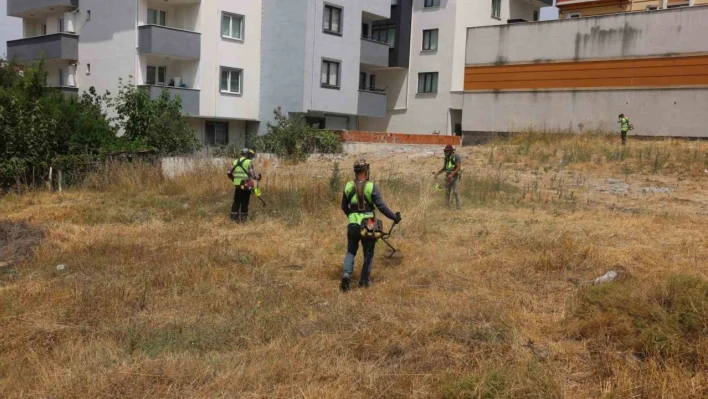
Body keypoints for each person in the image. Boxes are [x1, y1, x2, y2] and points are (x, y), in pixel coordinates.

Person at [341, 159, 401, 291]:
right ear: (365, 170)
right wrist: (394, 217)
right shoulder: (371, 186)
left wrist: (352, 217)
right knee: (368, 253)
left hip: (352, 223)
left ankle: (346, 274)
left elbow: (343, 206)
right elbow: (381, 207)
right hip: (368, 224)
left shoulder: (348, 186)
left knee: (351, 251)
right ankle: (364, 282)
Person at [227, 148, 260, 223]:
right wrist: (258, 178)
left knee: (236, 201)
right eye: (250, 154)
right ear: (247, 154)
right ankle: (243, 220)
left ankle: (233, 219)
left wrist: (233, 179)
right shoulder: (249, 162)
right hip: (246, 184)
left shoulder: (235, 161)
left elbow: (228, 173)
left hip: (237, 185)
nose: (251, 156)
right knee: (245, 202)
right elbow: (253, 176)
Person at [434, 145, 462, 209]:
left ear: (451, 150)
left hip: (455, 176)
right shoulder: (446, 157)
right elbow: (444, 168)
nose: (445, 152)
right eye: (445, 151)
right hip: (448, 176)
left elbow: (458, 167)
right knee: (447, 191)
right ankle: (447, 206)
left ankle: (458, 207)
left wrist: (452, 175)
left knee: (455, 192)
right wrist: (437, 173)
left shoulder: (456, 156)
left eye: (446, 151)